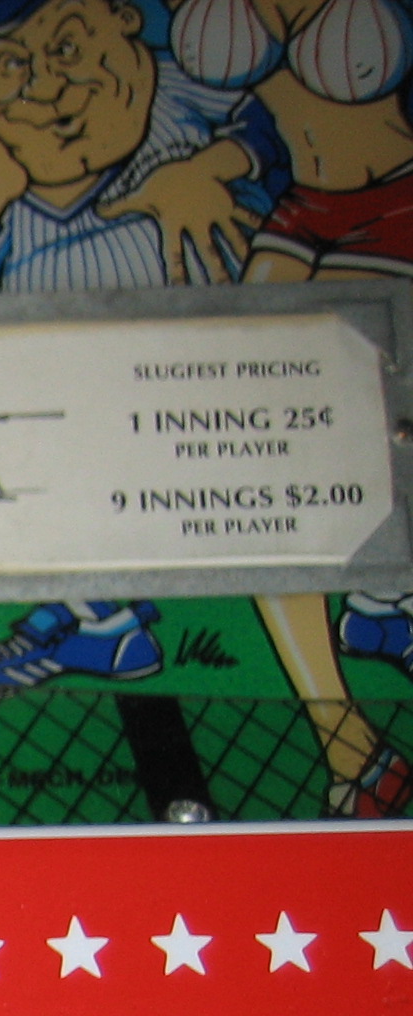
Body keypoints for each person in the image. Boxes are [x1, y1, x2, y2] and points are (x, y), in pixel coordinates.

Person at [0, 0, 287, 701]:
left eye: (67, 49)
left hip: (232, 391)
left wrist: (211, 167)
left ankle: (108, 624)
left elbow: (288, 120)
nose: (47, 88)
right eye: (11, 67)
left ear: (122, 19)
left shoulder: (180, 94)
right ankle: (92, 618)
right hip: (84, 407)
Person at [184, 0, 413, 813]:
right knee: (257, 479)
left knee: (364, 411)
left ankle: (387, 600)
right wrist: (203, 170)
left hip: (399, 207)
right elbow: (257, 127)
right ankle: (353, 752)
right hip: (304, 213)